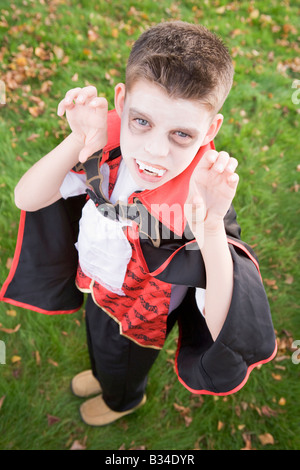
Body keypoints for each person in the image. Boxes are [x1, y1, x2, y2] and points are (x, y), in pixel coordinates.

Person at [0, 21, 276, 426]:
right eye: (142, 121)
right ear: (121, 101)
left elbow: (224, 325)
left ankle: (122, 400)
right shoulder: (108, 151)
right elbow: (27, 197)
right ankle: (103, 376)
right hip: (96, 282)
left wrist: (212, 227)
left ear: (210, 131)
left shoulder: (198, 199)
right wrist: (80, 138)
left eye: (181, 134)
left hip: (141, 314)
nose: (155, 151)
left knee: (122, 361)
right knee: (97, 337)